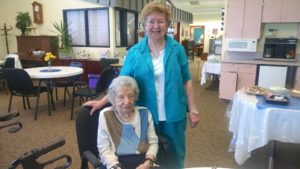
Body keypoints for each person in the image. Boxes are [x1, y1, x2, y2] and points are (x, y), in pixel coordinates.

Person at [84, 2, 200, 168]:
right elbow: (119, 83)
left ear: (167, 24)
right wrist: (102, 101)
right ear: (144, 25)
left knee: (175, 158)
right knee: (144, 157)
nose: (156, 26)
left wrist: (193, 109)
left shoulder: (178, 49)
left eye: (161, 21)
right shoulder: (134, 53)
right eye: (151, 21)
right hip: (143, 116)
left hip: (174, 114)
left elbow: (186, 80)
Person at [97, 76, 159, 169]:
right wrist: (116, 166)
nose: (127, 102)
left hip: (143, 160)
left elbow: (153, 142)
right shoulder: (106, 115)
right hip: (115, 161)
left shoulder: (145, 113)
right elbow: (104, 149)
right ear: (113, 98)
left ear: (135, 96)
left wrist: (148, 162)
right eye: (121, 97)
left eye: (130, 96)